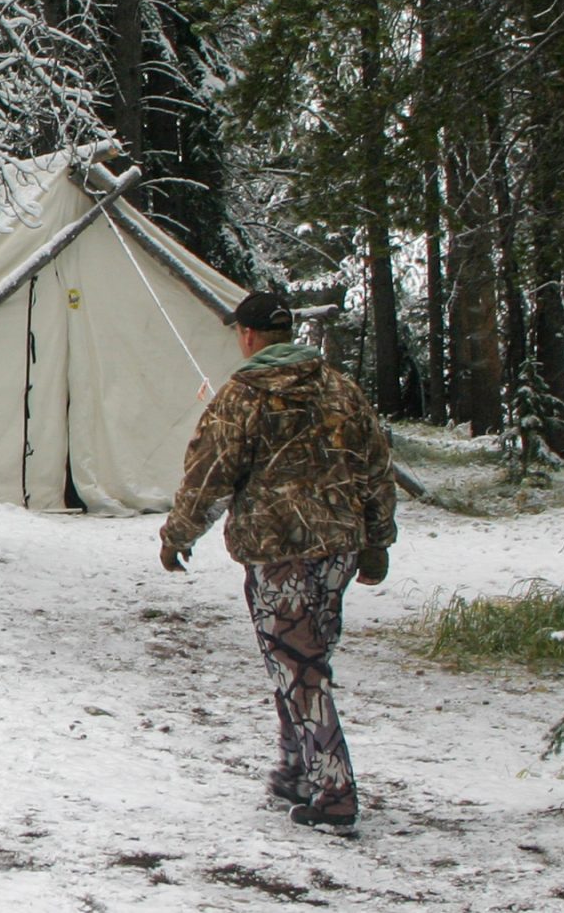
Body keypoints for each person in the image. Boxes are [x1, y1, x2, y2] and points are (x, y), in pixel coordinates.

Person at [160, 289, 395, 834]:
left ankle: (333, 794)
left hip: (278, 556)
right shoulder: (343, 389)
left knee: (300, 670)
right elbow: (376, 468)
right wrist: (377, 540)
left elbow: (209, 473)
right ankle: (296, 771)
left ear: (246, 336)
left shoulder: (243, 395)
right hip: (338, 549)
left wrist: (178, 533)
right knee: (301, 662)